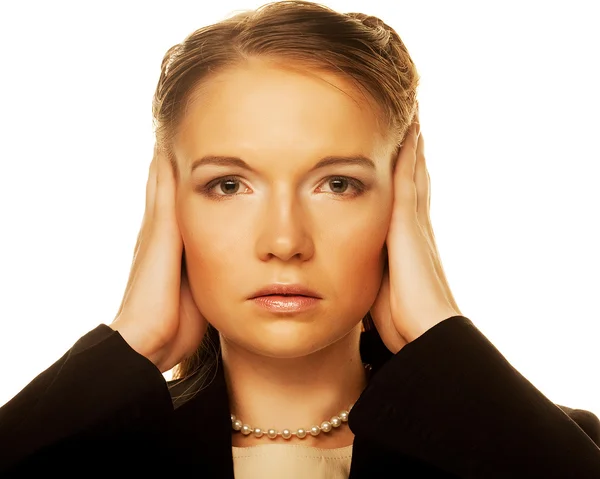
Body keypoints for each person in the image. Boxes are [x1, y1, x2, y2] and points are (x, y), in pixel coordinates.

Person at [1, 1, 599, 476]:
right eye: (229, 185)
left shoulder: (539, 447)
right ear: (167, 203)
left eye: (337, 183)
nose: (284, 241)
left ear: (405, 198)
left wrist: (440, 340)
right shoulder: (77, 452)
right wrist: (131, 344)